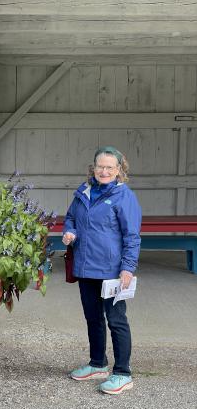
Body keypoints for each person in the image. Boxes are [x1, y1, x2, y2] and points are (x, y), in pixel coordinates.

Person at [63, 146, 142, 395]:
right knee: (93, 318)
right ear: (93, 168)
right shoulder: (83, 193)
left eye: (110, 167)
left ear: (119, 170)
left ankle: (122, 373)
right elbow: (71, 218)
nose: (104, 171)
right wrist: (70, 231)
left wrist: (127, 268)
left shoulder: (124, 196)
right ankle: (97, 364)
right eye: (100, 166)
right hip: (86, 268)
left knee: (116, 321)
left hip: (112, 271)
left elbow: (132, 236)